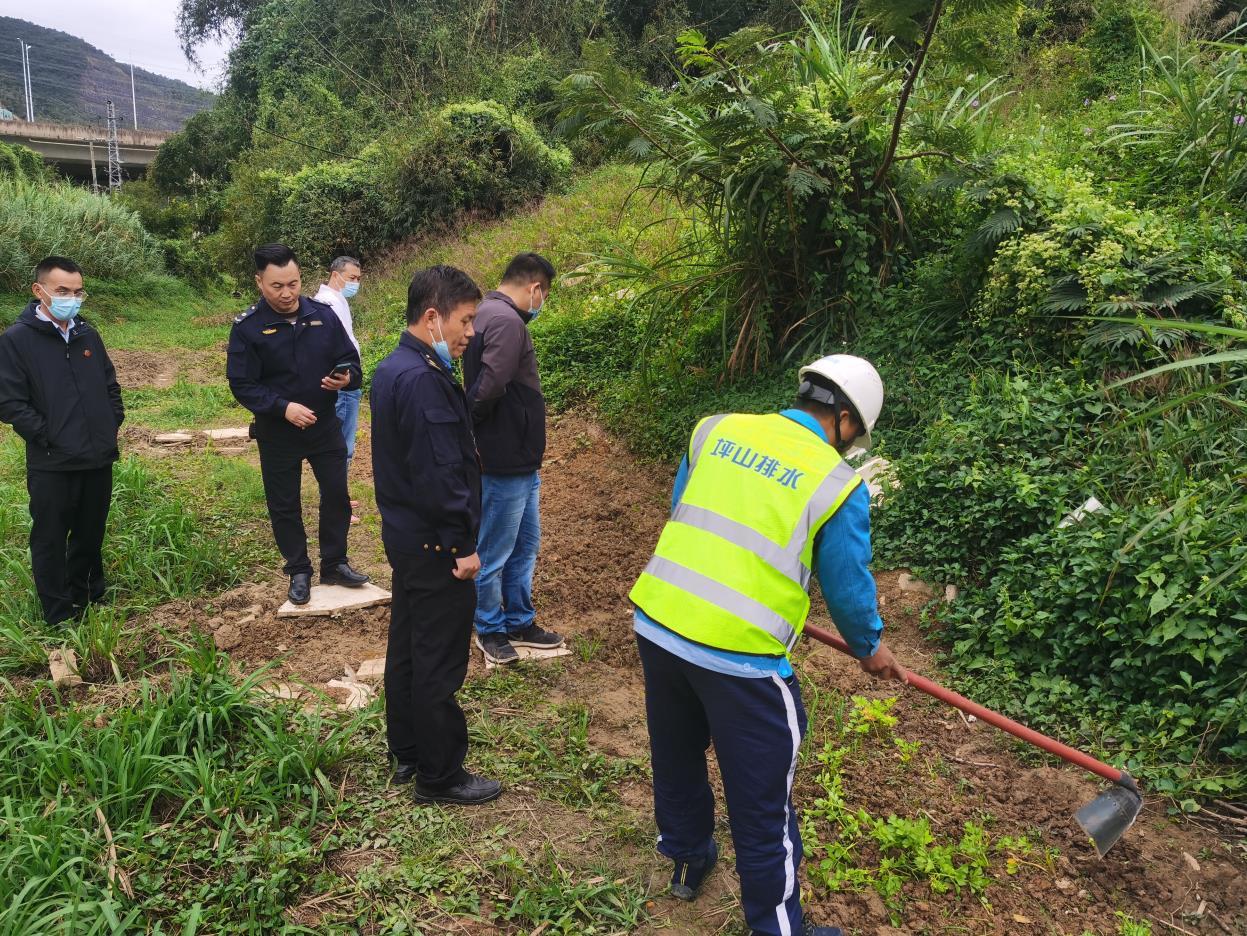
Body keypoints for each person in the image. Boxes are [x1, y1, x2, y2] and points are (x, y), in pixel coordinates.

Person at [628, 355, 909, 936]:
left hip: (658, 623)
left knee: (676, 757)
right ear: (849, 422)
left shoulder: (716, 429)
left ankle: (686, 859)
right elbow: (849, 589)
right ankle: (780, 929)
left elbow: (690, 512)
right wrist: (870, 647)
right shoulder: (837, 483)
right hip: (741, 660)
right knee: (763, 811)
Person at [371, 264, 501, 806]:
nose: (471, 333)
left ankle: (406, 749)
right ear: (433, 317)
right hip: (437, 547)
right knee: (438, 660)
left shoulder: (393, 367)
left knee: (406, 646)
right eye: (466, 321)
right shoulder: (424, 381)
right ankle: (440, 774)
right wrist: (463, 546)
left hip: (407, 540)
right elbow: (441, 473)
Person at [227, 243, 370, 605]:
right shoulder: (248, 327)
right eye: (277, 286)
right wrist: (282, 407)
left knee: (336, 493)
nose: (287, 293)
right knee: (284, 502)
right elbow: (242, 384)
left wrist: (346, 379)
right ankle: (299, 569)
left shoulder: (322, 314)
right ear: (260, 282)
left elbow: (351, 363)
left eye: (293, 283)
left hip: (324, 426)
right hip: (278, 433)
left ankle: (335, 562)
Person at [0, 256, 124, 626]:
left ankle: (87, 595)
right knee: (51, 538)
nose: (72, 298)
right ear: (40, 291)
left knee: (90, 531)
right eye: (63, 291)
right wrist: (48, 436)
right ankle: (58, 612)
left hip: (97, 456)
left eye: (77, 291)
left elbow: (109, 385)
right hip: (52, 461)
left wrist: (109, 424)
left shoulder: (87, 333)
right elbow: (9, 402)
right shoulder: (17, 340)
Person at [462, 252, 563, 665]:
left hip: (519, 459)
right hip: (504, 459)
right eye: (544, 296)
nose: (541, 304)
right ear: (534, 289)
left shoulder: (487, 313)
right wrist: (468, 428)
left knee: (524, 544)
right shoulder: (505, 320)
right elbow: (491, 384)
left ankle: (520, 619)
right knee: (497, 550)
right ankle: (489, 627)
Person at [314, 256, 364, 524]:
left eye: (358, 278)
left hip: (348, 382)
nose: (355, 283)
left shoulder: (338, 301)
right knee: (339, 448)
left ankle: (338, 497)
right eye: (352, 278)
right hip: (342, 386)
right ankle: (335, 505)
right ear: (335, 275)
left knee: (344, 446)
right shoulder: (329, 303)